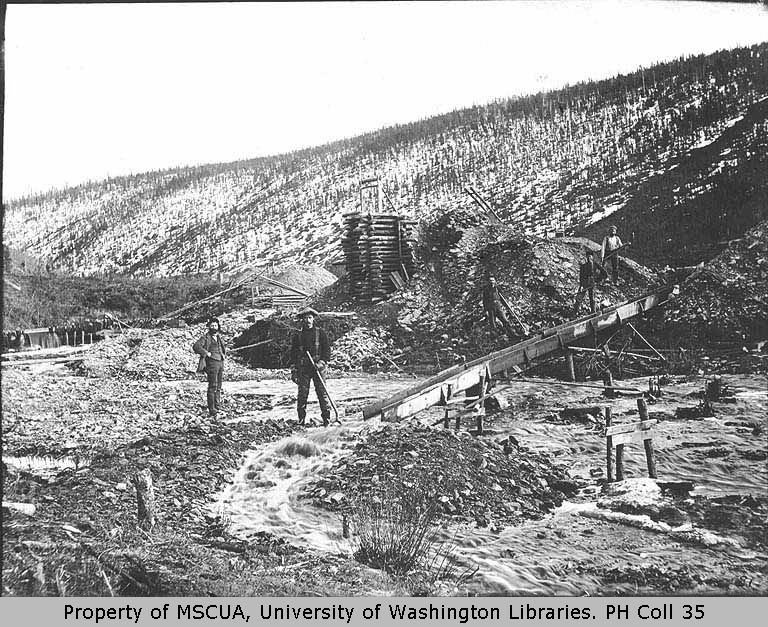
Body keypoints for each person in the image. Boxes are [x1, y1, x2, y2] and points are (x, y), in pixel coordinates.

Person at [290, 307, 331, 426]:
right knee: (302, 394)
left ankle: (327, 419)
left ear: (313, 319)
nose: (308, 320)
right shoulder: (298, 336)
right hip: (304, 369)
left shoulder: (320, 333)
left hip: (319, 368)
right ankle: (301, 420)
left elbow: (327, 351)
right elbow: (293, 354)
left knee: (322, 393)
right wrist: (294, 370)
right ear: (302, 320)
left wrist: (321, 363)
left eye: (310, 317)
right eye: (305, 318)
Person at [193, 317, 226, 417]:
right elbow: (196, 346)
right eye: (212, 326)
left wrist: (223, 356)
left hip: (220, 362)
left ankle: (217, 405)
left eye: (215, 325)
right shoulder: (205, 337)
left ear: (218, 326)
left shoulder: (219, 337)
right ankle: (212, 409)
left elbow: (222, 349)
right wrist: (206, 353)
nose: (214, 327)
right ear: (209, 327)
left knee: (219, 386)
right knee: (212, 386)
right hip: (211, 364)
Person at [574, 250, 607, 315]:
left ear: (592, 257)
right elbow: (581, 277)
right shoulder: (583, 266)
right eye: (588, 257)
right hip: (584, 284)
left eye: (590, 256)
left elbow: (604, 273)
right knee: (579, 298)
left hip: (592, 283)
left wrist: (599, 280)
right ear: (586, 257)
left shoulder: (595, 264)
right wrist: (581, 286)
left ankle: (593, 313)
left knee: (592, 299)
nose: (589, 258)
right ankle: (575, 312)